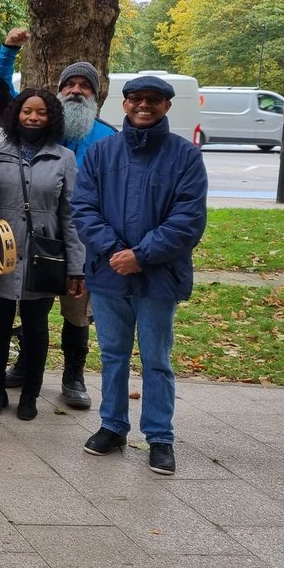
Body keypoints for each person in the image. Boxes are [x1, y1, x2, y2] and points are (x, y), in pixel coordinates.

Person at [72, 75, 207, 475]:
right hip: (110, 272)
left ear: (166, 106)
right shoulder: (101, 153)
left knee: (156, 360)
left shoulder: (185, 156)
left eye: (153, 100)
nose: (143, 105)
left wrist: (142, 255)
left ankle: (159, 437)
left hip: (157, 277)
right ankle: (112, 426)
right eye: (135, 99)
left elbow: (188, 219)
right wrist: (116, 252)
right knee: (113, 356)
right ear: (125, 104)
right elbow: (83, 208)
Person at [0, 27, 118, 408]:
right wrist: (8, 51)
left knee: (77, 313)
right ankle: (27, 364)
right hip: (35, 238)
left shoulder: (109, 138)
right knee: (35, 307)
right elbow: (2, 93)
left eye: (86, 86)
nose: (77, 90)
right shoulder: (45, 127)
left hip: (82, 237)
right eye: (70, 84)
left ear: (96, 95)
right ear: (59, 92)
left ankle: (74, 376)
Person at [0, 89, 85, 420]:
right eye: (27, 111)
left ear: (51, 118)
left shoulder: (64, 158)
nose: (33, 118)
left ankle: (30, 396)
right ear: (15, 115)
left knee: (36, 328)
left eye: (41, 112)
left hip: (43, 255)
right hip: (3, 253)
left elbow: (70, 214)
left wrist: (76, 268)